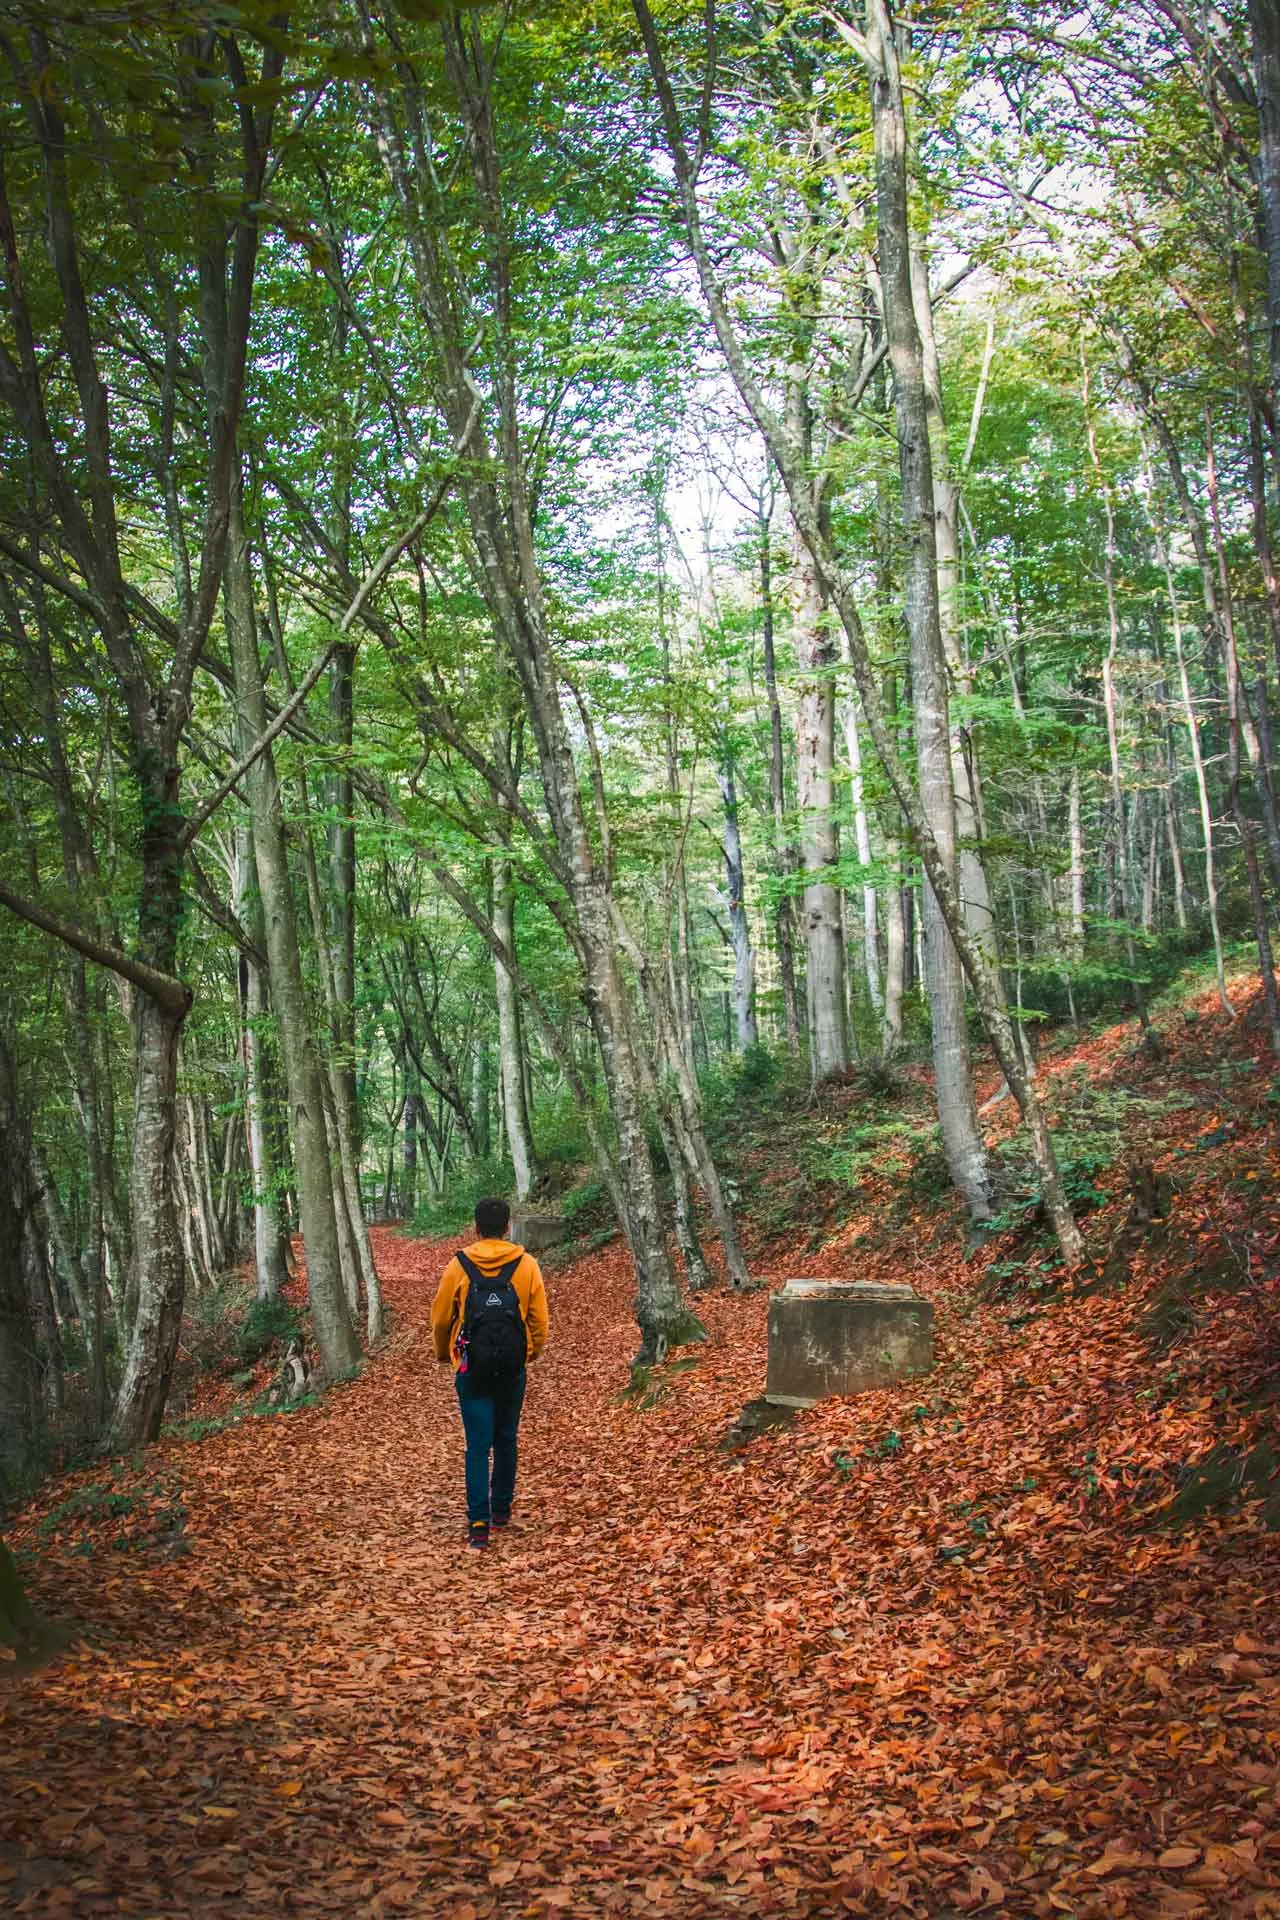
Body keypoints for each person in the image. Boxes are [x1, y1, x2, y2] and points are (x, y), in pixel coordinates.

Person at [431, 1195, 549, 1550]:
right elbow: (539, 1319)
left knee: (477, 1445)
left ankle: (478, 1524)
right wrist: (530, 1352)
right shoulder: (526, 1264)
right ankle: (501, 1510)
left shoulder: (458, 1266)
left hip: (471, 1367)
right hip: (513, 1366)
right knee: (506, 1438)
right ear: (508, 1227)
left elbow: (440, 1318)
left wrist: (444, 1353)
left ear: (476, 1228)